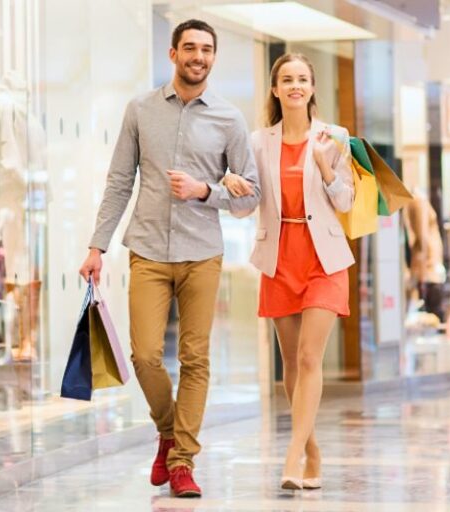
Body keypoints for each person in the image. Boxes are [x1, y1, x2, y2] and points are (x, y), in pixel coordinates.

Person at [78, 19, 260, 498]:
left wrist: (207, 191)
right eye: (191, 48)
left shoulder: (229, 119)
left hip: (203, 253)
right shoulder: (140, 110)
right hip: (150, 251)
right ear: (174, 53)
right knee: (144, 354)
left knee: (196, 359)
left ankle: (182, 462)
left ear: (213, 58)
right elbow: (120, 181)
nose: (199, 57)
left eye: (207, 50)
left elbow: (249, 197)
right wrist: (97, 246)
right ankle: (167, 431)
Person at [242, 53, 354, 491]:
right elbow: (249, 203)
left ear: (311, 88)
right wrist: (233, 187)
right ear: (275, 89)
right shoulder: (258, 141)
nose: (295, 86)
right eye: (286, 79)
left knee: (310, 357)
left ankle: (291, 455)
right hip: (279, 257)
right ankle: (313, 451)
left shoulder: (334, 136)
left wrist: (326, 166)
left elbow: (344, 202)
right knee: (290, 363)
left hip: (324, 259)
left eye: (302, 79)